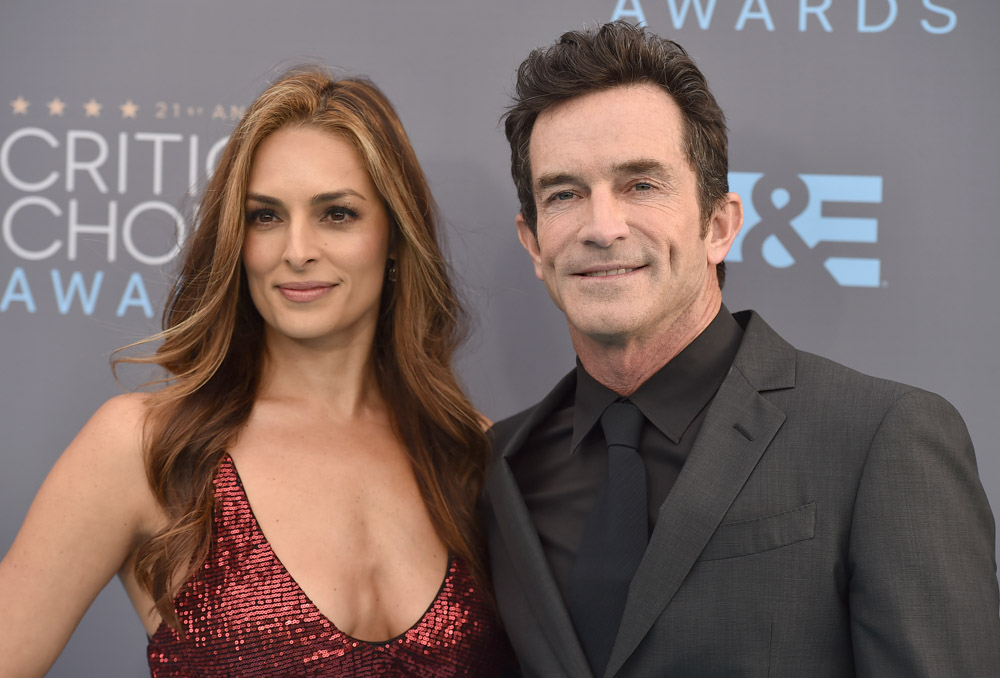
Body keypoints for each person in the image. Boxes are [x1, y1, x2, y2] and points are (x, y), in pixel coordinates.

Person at [484, 21, 1000, 678]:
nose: (602, 227)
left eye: (641, 184)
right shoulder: (499, 465)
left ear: (719, 225)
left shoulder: (881, 439)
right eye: (565, 194)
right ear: (534, 243)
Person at [0, 69, 509, 677]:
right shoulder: (148, 446)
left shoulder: (470, 452)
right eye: (265, 216)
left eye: (337, 214)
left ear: (395, 238)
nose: (296, 249)